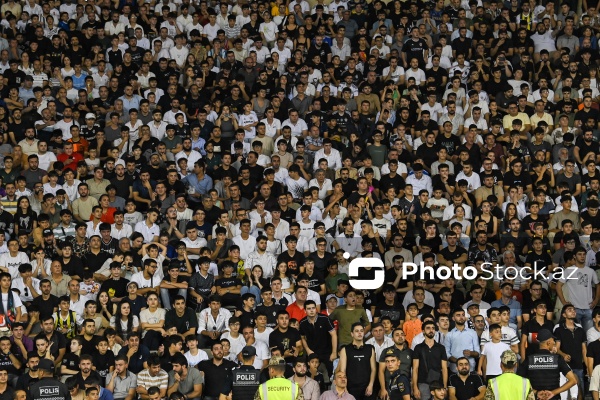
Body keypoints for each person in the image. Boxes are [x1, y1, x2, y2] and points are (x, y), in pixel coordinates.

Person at [517, 329, 577, 400]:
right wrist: (553, 393)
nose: (554, 342)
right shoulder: (557, 359)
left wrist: (536, 392)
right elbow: (573, 380)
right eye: (553, 341)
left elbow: (517, 381)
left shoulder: (529, 359)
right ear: (548, 343)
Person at [337, 322, 376, 400]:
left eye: (361, 331)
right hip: (351, 388)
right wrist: (344, 387)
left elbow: (373, 369)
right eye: (357, 331)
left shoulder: (370, 348)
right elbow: (342, 370)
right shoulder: (345, 349)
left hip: (367, 388)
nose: (359, 333)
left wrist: (371, 385)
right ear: (352, 334)